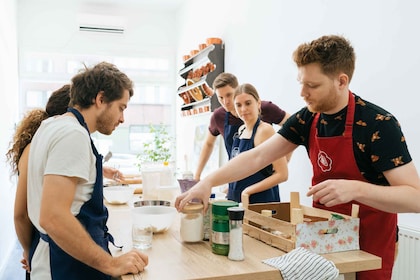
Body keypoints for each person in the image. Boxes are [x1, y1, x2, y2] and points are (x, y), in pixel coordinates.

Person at [176, 35, 420, 280]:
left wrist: (355, 189)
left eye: (312, 85)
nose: (302, 93)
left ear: (341, 81)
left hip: (370, 242)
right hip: (322, 239)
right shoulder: (307, 119)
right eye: (301, 83)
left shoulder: (378, 124)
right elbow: (257, 157)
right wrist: (207, 182)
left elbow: (415, 198)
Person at [26, 62, 148, 280]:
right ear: (100, 99)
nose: (122, 119)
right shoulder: (73, 135)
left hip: (55, 258)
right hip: (64, 264)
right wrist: (110, 264)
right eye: (121, 107)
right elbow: (53, 217)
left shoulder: (52, 125)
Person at [6, 85, 126, 279]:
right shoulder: (49, 143)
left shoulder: (52, 140)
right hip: (52, 258)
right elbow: (21, 214)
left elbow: (61, 171)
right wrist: (30, 251)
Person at [194, 73, 290, 181]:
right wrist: (197, 176)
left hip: (263, 181)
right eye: (220, 97)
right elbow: (208, 143)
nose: (225, 102)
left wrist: (286, 156)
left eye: (229, 95)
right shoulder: (218, 117)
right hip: (236, 179)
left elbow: (292, 126)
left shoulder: (265, 109)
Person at [228, 83, 288, 203]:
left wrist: (248, 191)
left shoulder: (265, 131)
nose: (243, 109)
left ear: (258, 103)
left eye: (248, 103)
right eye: (238, 105)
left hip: (261, 203)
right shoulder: (241, 131)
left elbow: (282, 174)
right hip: (238, 201)